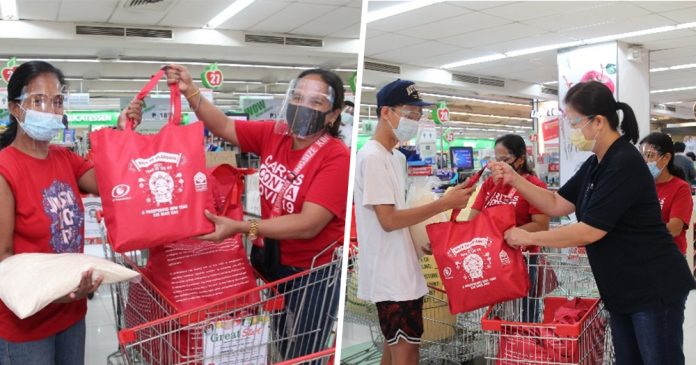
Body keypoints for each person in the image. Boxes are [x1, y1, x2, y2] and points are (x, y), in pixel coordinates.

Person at [491, 81, 695, 365]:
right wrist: (516, 180)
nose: (572, 131)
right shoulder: (595, 163)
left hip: (653, 286)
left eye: (574, 123)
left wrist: (528, 237)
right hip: (621, 288)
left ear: (598, 122)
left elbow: (590, 231)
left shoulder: (624, 163)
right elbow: (555, 203)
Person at [163, 64, 349, 362]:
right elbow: (224, 126)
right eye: (298, 97)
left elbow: (308, 225)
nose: (303, 107)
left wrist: (241, 227)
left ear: (333, 114)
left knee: (302, 353)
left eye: (316, 102)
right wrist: (190, 92)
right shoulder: (274, 135)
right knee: (280, 341)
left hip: (312, 274)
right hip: (273, 262)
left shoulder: (337, 158)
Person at [0, 61, 141, 364]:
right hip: (26, 324)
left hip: (71, 314)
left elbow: (110, 183)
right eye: (38, 100)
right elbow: (3, 260)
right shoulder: (5, 169)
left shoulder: (65, 158)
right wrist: (54, 292)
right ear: (15, 108)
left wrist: (123, 132)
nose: (50, 110)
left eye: (58, 101)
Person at [354, 79, 474, 365]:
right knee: (407, 351)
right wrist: (443, 203)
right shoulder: (372, 157)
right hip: (390, 274)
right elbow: (388, 220)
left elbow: (399, 215)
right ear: (386, 113)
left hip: (403, 268)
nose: (415, 122)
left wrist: (421, 242)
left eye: (418, 116)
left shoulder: (395, 157)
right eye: (409, 114)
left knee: (394, 346)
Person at [469, 134, 549, 321]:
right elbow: (473, 219)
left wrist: (508, 235)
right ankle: (502, 349)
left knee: (524, 314)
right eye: (496, 160)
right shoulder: (490, 184)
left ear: (520, 159)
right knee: (496, 316)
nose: (499, 165)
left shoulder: (534, 186)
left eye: (504, 160)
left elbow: (541, 225)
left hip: (524, 260)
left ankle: (525, 349)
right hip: (493, 260)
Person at [639, 132, 693, 256]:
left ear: (666, 158)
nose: (645, 161)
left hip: (670, 257)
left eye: (649, 155)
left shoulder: (681, 188)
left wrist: (641, 230)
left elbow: (675, 228)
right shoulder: (642, 186)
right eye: (642, 156)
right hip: (644, 255)